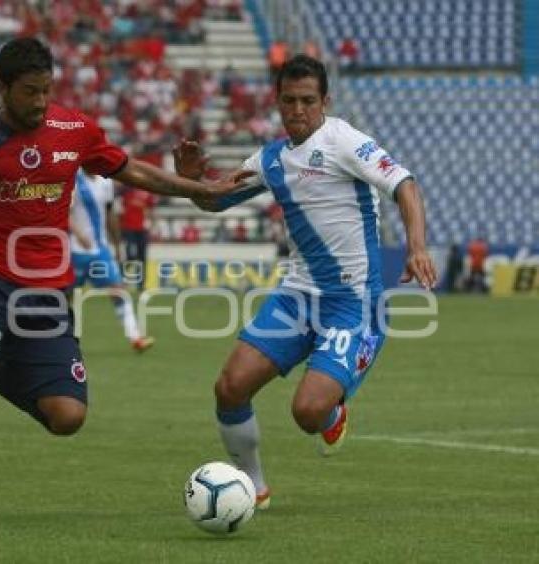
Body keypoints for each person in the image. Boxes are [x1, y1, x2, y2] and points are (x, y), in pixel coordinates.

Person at [0, 37, 240, 534]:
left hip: (49, 296)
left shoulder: (75, 130)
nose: (41, 102)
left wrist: (199, 189)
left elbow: (128, 168)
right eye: (29, 92)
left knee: (67, 416)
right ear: (3, 88)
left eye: (46, 90)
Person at [173, 54, 437, 510]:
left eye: (308, 101)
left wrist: (416, 245)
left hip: (352, 304)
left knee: (307, 413)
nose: (298, 110)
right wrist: (192, 181)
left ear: (325, 101)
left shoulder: (345, 141)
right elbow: (215, 202)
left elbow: (405, 185)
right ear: (277, 101)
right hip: (296, 299)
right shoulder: (271, 159)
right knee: (229, 388)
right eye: (290, 101)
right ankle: (254, 488)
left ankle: (336, 404)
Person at [70, 169, 155, 352]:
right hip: (75, 250)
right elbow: (63, 212)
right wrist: (77, 234)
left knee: (119, 290)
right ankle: (55, 337)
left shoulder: (105, 182)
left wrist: (117, 246)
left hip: (100, 250)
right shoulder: (72, 178)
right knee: (62, 296)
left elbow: (109, 214)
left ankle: (135, 337)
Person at [119, 186, 155, 290]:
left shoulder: (147, 194)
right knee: (130, 255)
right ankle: (121, 278)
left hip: (142, 229)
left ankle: (141, 285)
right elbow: (120, 210)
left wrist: (152, 226)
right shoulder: (126, 192)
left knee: (142, 257)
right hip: (129, 228)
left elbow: (150, 210)